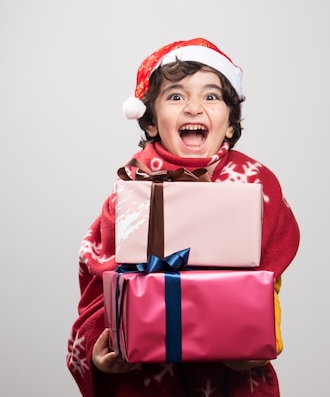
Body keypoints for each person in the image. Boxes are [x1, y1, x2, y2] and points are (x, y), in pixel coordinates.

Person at [66, 37, 300, 397]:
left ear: (230, 125)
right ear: (151, 124)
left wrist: (260, 339)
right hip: (147, 379)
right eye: (176, 96)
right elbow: (100, 275)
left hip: (229, 378)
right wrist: (104, 345)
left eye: (210, 96)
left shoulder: (255, 183)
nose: (193, 107)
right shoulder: (131, 186)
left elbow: (268, 276)